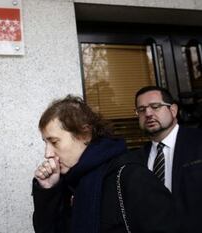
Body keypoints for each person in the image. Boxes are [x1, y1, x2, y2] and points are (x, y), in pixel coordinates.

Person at [32, 95, 178, 233]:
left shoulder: (131, 177)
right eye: (46, 143)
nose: (48, 153)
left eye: (54, 142)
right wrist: (47, 191)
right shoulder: (68, 182)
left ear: (85, 133)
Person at [134, 86, 202, 233]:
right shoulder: (135, 160)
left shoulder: (198, 142)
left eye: (155, 106)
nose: (148, 113)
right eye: (141, 109)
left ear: (173, 110)